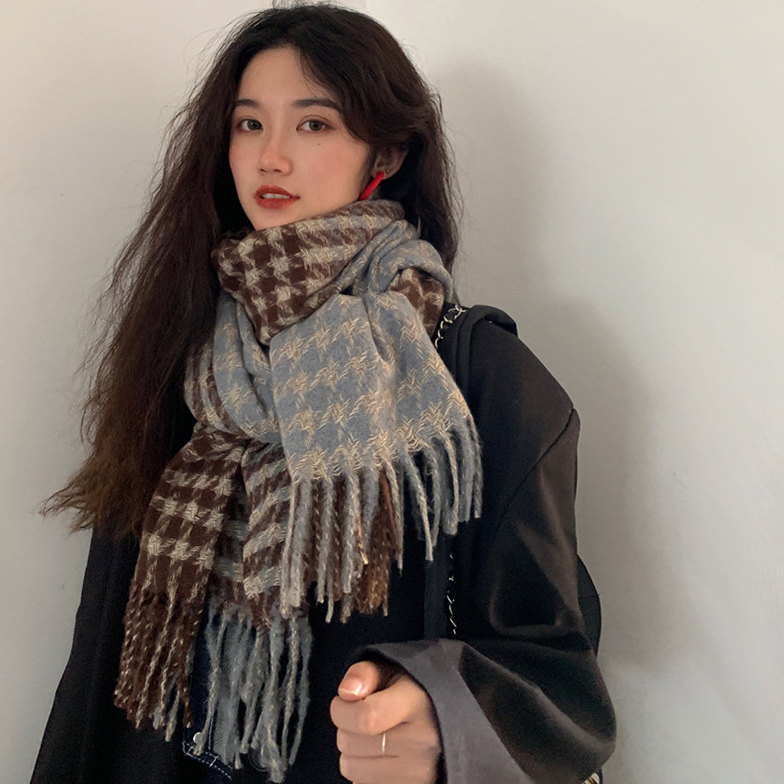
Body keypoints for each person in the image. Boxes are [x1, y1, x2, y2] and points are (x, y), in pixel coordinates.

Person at [33, 5, 615, 784]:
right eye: (248, 124)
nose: (270, 156)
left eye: (314, 124)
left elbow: (561, 675)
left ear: (389, 151)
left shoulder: (473, 375)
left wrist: (443, 715)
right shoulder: (182, 344)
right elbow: (104, 642)